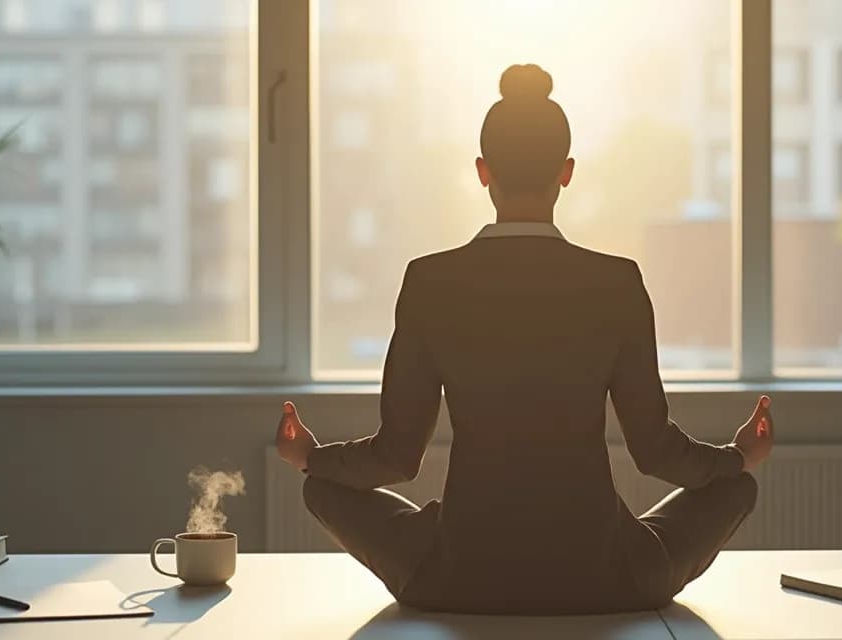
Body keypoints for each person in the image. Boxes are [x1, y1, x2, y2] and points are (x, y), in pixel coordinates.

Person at [273, 63, 774, 615]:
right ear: (566, 172)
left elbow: (395, 456)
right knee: (738, 488)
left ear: (483, 172)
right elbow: (655, 450)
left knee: (319, 486)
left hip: (458, 577)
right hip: (604, 578)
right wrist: (736, 457)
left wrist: (311, 457)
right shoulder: (617, 282)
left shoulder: (430, 281)